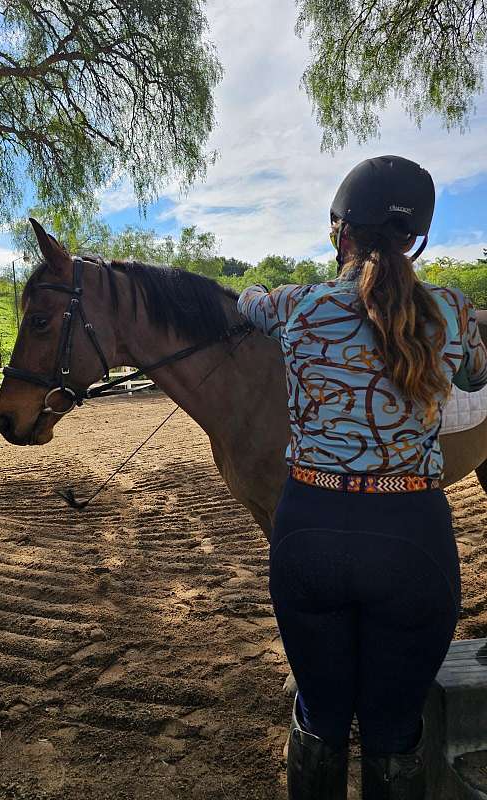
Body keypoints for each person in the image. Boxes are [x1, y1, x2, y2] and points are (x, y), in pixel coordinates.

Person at [237, 155, 487, 800]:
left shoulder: (294, 304)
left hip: (310, 531)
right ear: (416, 240)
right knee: (394, 727)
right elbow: (478, 376)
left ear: (340, 232)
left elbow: (245, 303)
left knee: (320, 718)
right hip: (411, 537)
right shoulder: (451, 312)